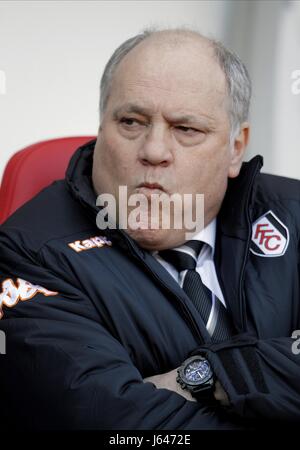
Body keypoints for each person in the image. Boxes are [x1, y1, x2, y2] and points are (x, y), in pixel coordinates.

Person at [0, 28, 299, 431]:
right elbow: (115, 426)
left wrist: (207, 374)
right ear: (102, 125)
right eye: (132, 122)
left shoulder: (292, 211)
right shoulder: (29, 251)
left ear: (235, 148)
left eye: (186, 129)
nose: (154, 151)